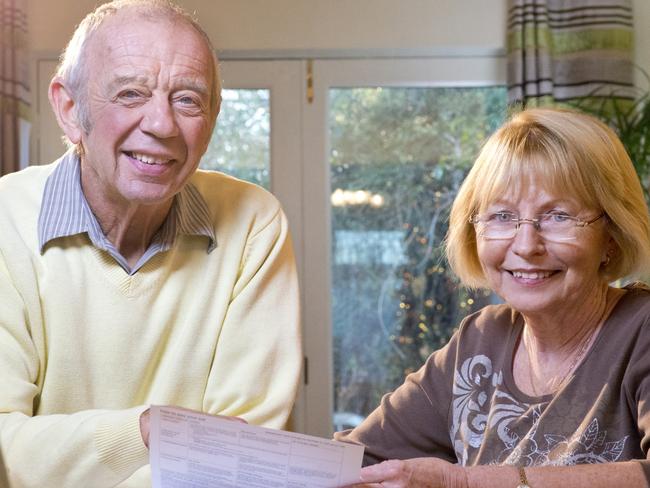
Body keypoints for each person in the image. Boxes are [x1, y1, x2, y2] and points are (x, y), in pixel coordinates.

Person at [0, 1, 301, 486]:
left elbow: (242, 457)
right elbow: (3, 451)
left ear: (213, 118)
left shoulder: (254, 223)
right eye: (131, 93)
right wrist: (143, 433)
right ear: (70, 109)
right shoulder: (4, 220)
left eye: (187, 100)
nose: (161, 125)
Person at [335, 108, 650, 487]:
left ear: (611, 237)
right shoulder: (479, 342)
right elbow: (355, 461)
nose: (526, 245)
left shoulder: (641, 329)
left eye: (558, 216)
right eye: (502, 216)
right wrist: (247, 448)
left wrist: (465, 483)